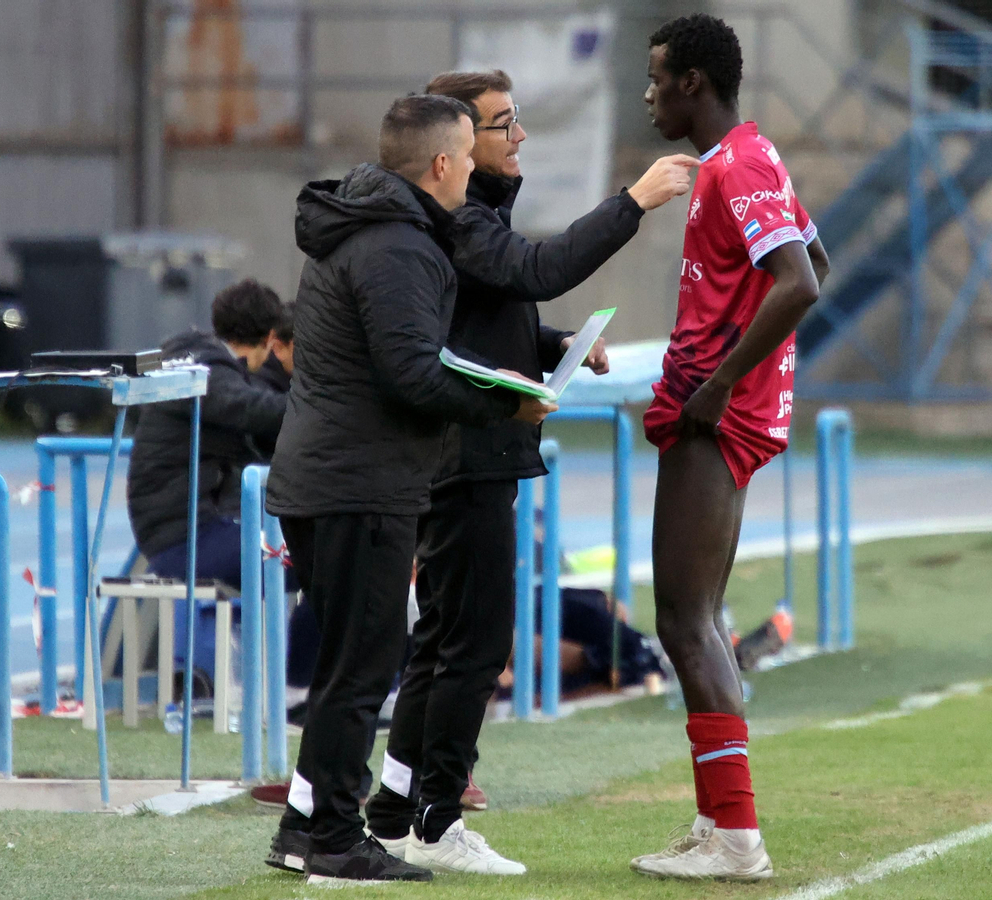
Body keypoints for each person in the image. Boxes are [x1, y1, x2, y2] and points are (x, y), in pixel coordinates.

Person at [362, 69, 697, 875]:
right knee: (474, 645)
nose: (519, 138)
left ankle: (396, 807)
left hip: (467, 453)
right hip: (464, 456)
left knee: (444, 639)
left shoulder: (466, 218)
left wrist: (548, 345)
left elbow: (487, 308)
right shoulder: (457, 220)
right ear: (454, 149)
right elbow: (533, 270)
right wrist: (635, 201)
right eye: (502, 125)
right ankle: (439, 822)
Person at [263, 94, 555, 885]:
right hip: (359, 484)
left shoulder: (363, 228)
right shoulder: (396, 244)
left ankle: (302, 826)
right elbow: (413, 375)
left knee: (347, 665)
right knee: (361, 669)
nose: (471, 168)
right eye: (466, 153)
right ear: (441, 164)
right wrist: (508, 401)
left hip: (330, 476)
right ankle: (333, 836)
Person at [629, 14, 830, 882]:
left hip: (717, 417)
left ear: (693, 85)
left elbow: (802, 281)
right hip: (726, 408)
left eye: (657, 77)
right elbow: (811, 247)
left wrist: (718, 383)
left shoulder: (738, 165)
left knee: (686, 618)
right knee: (695, 617)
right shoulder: (752, 156)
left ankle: (737, 837)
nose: (648, 93)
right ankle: (720, 823)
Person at [124, 278, 291, 689]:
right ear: (270, 338)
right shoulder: (208, 373)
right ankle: (298, 682)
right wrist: (333, 411)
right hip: (184, 537)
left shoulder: (194, 361)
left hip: (177, 529)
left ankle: (222, 673)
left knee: (304, 552)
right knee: (321, 556)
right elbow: (256, 410)